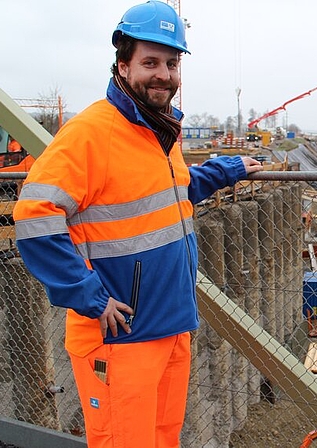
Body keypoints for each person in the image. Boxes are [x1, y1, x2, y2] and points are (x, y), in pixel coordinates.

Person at [12, 2, 263, 447]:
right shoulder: (92, 133)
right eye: (150, 62)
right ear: (123, 65)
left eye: (172, 63)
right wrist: (88, 297)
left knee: (163, 440)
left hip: (170, 326)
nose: (163, 74)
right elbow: (34, 216)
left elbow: (173, 190)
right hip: (119, 337)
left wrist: (229, 168)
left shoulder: (159, 132)